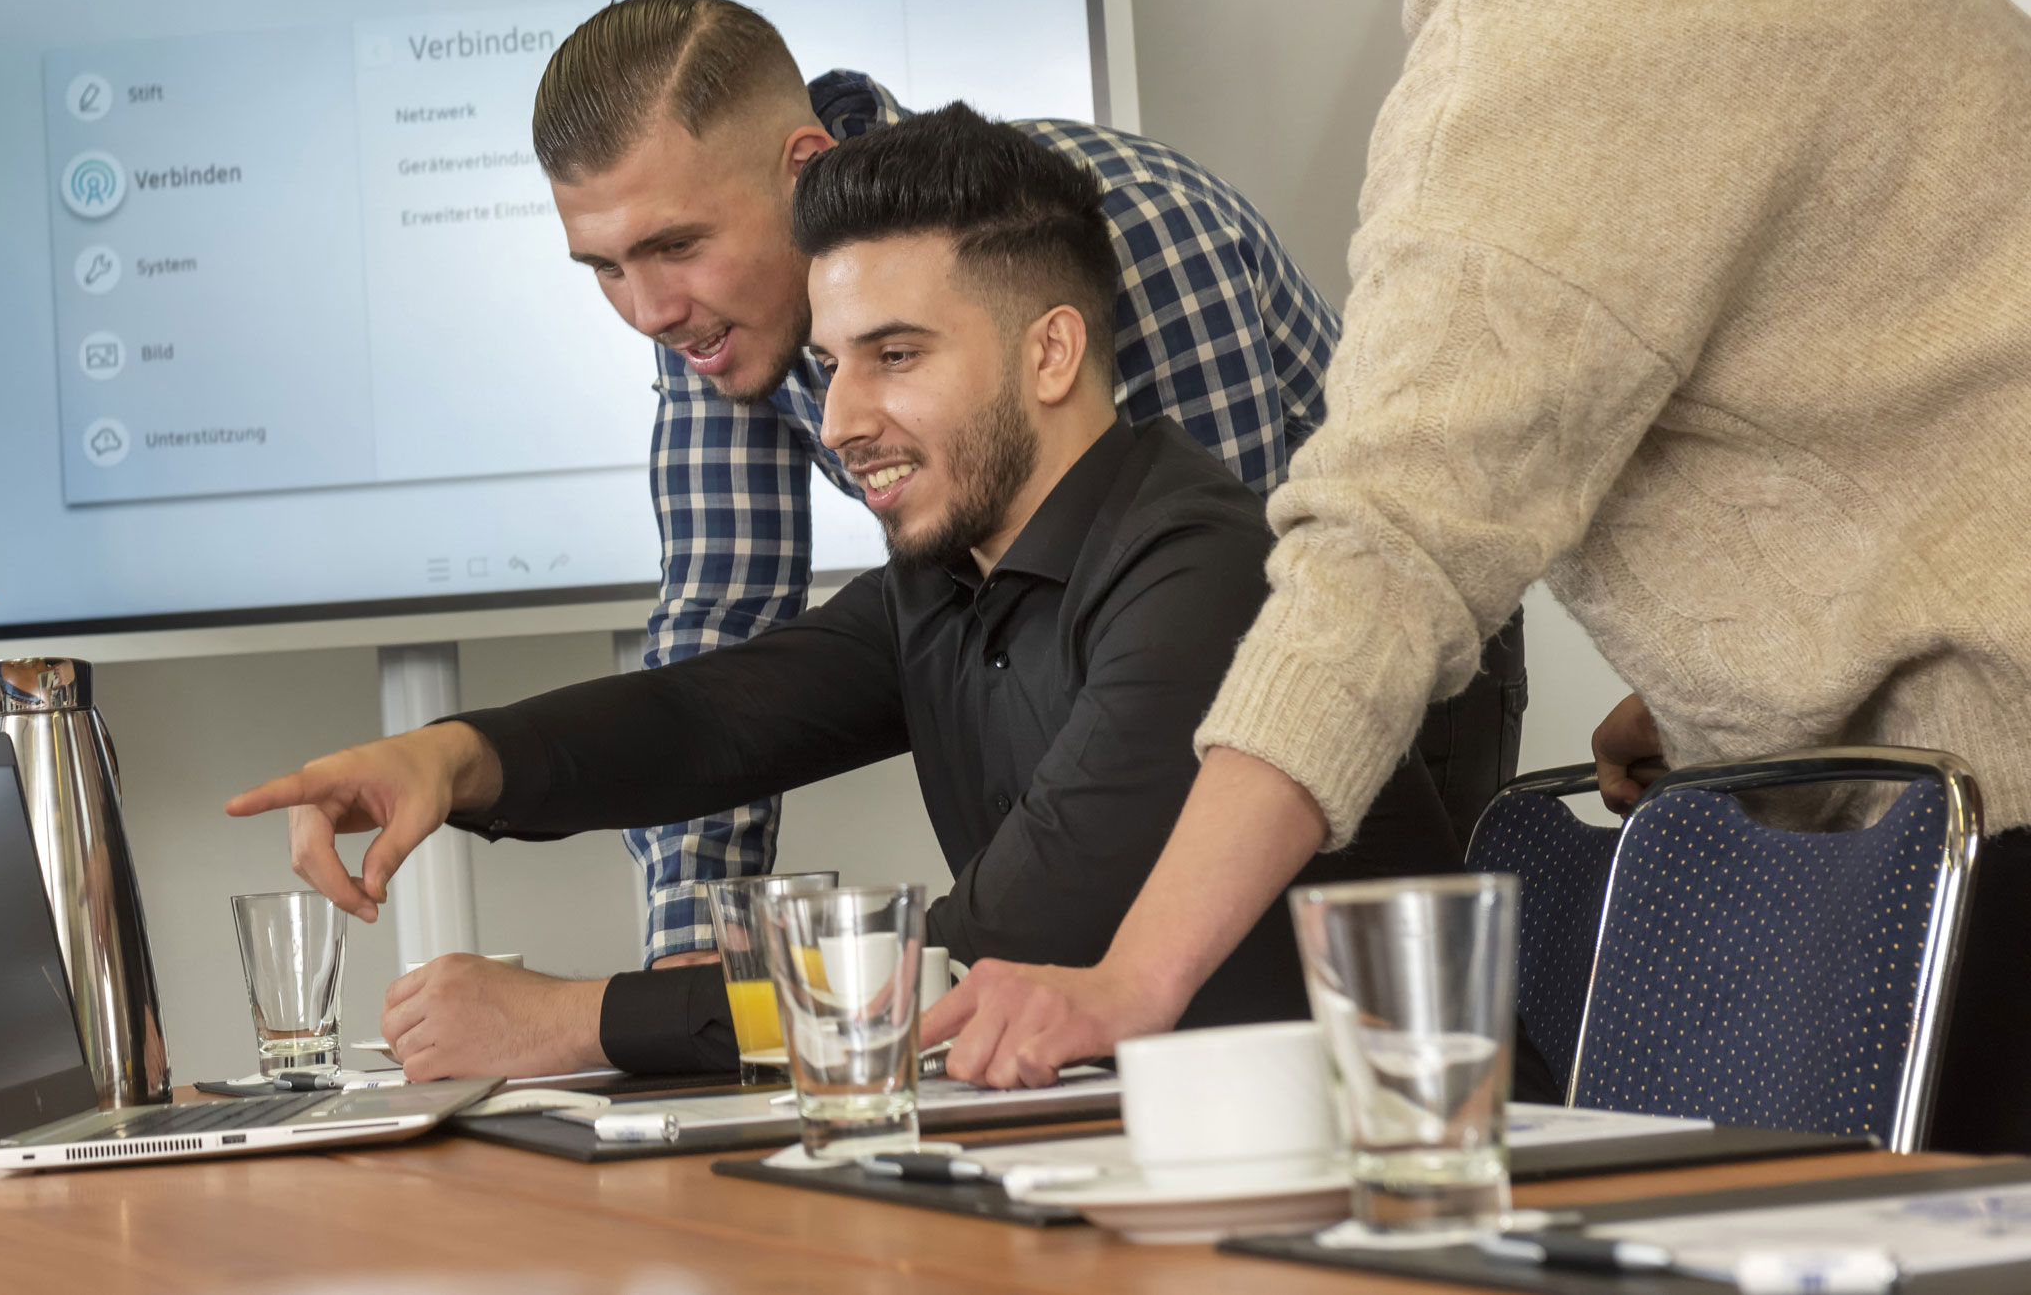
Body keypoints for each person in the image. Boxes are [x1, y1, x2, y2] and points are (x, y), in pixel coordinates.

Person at [929, 0, 2031, 1151]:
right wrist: (1739, 682)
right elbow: (1893, 355)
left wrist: (1130, 978)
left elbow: (1385, 557)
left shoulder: (1547, 39)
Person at [225, 103, 1456, 1080]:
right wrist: (449, 759)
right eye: (831, 365)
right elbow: (711, 716)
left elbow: (966, 964)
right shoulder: (947, 577)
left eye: (896, 355)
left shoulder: (1205, 576)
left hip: (1374, 1185)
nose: (844, 419)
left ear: (1051, 351)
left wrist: (570, 1020)